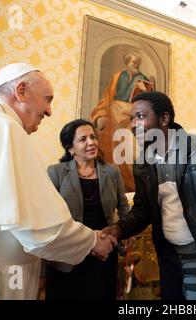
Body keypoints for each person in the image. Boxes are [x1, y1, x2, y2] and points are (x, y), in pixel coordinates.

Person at [0, 63, 116, 300]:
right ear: (21, 91)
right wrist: (93, 241)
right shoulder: (5, 128)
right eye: (47, 99)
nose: (49, 111)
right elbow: (42, 231)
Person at [103, 91, 196, 300]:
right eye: (132, 118)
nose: (134, 124)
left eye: (141, 116)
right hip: (169, 258)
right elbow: (142, 211)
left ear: (164, 118)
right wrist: (118, 229)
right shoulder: (143, 163)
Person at [43, 119, 129, 300]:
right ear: (70, 148)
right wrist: (88, 243)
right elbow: (49, 216)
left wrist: (125, 232)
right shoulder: (56, 172)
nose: (91, 142)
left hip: (104, 254)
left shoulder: (111, 171)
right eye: (83, 139)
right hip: (68, 256)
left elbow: (122, 206)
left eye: (93, 137)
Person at [91, 52, 153, 192]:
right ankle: (116, 183)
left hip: (131, 113)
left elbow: (151, 100)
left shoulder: (142, 78)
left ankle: (133, 183)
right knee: (113, 145)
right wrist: (100, 115)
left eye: (136, 62)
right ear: (127, 62)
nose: (134, 65)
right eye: (132, 62)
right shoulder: (118, 76)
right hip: (115, 111)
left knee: (131, 147)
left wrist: (144, 89)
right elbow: (107, 97)